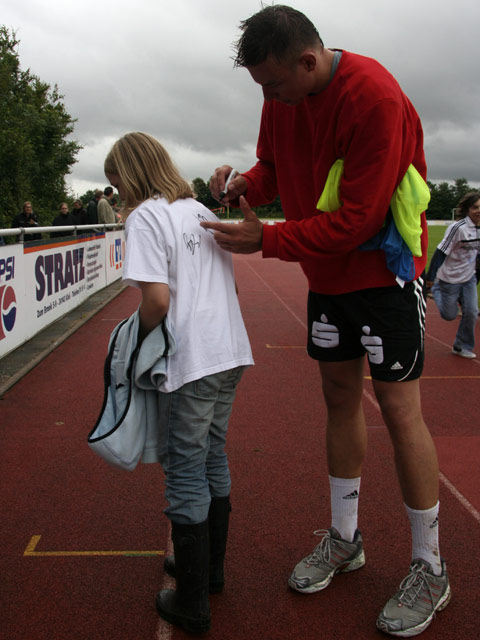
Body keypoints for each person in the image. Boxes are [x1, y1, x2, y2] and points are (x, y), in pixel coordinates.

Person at [201, 6, 449, 637]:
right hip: (327, 278)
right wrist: (243, 185)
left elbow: (360, 219)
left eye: (273, 85)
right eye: (261, 87)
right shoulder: (281, 95)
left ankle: (430, 566)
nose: (268, 98)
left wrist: (269, 240)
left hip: (384, 275)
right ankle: (345, 537)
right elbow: (274, 167)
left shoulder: (374, 97)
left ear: (308, 61)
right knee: (338, 399)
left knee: (400, 411)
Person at [104, 132, 253, 634]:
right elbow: (229, 285)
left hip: (190, 357)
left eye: (117, 182)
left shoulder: (145, 217)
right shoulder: (197, 210)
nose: (118, 192)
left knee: (185, 468)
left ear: (131, 174)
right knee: (212, 455)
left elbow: (157, 301)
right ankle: (209, 572)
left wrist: (135, 348)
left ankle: (192, 602)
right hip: (228, 349)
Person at [426, 192, 480, 358]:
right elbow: (441, 252)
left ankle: (461, 346)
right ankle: (436, 290)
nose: (478, 211)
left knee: (472, 312)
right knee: (449, 315)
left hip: (469, 277)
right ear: (467, 209)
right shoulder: (458, 228)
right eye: (475, 207)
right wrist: (430, 279)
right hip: (449, 278)